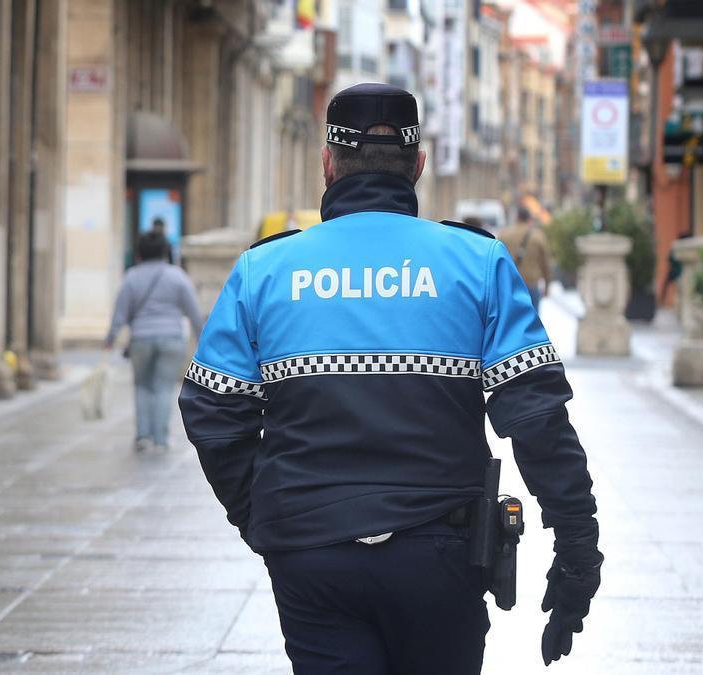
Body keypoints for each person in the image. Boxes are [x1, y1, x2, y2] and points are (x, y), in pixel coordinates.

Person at [179, 83, 602, 674]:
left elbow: (211, 412)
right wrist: (578, 550)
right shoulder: (478, 262)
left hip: (311, 554)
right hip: (443, 556)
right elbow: (537, 419)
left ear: (328, 164)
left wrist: (267, 515)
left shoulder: (263, 270)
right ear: (419, 166)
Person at [106, 231, 203, 452]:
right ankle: (160, 438)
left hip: (141, 338)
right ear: (165, 252)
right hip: (171, 339)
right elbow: (194, 312)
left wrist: (110, 337)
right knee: (163, 387)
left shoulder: (131, 277)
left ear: (139, 253)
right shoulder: (177, 276)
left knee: (142, 386)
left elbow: (120, 312)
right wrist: (202, 338)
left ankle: (142, 436)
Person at [497, 206, 553, 311]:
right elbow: (545, 263)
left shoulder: (504, 235)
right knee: (532, 321)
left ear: (517, 218)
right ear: (529, 219)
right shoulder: (538, 236)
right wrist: (547, 285)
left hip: (510, 284)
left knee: (511, 321)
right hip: (531, 284)